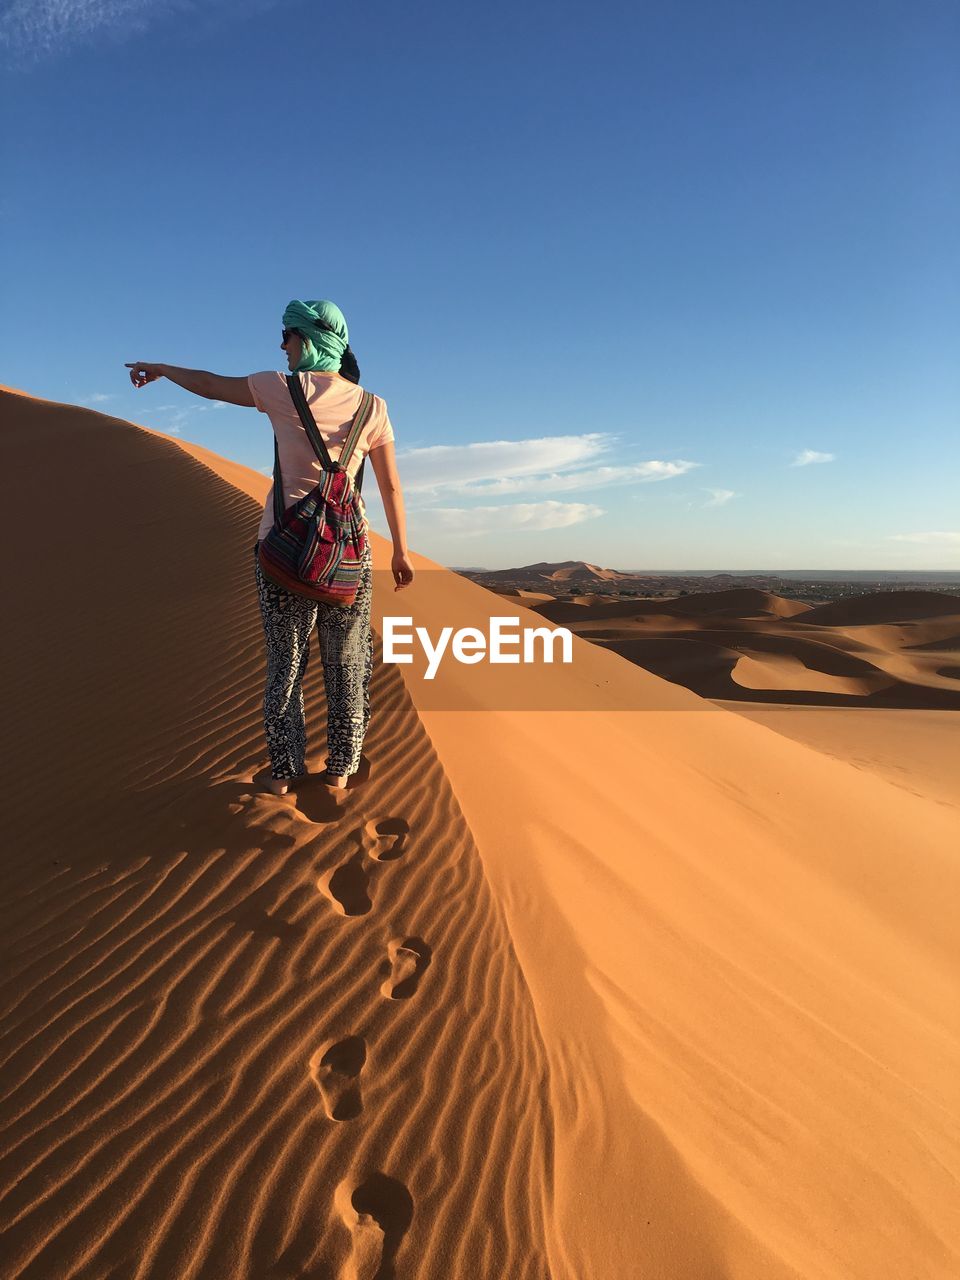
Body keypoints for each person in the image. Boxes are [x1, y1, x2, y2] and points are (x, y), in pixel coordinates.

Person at [126, 298, 414, 798]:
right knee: (347, 664)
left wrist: (162, 369)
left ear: (310, 338)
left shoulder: (281, 389)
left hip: (282, 552)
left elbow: (212, 385)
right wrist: (401, 551)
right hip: (349, 557)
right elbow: (391, 487)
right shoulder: (375, 407)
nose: (281, 344)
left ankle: (283, 774)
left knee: (286, 666)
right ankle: (340, 771)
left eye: (288, 334)